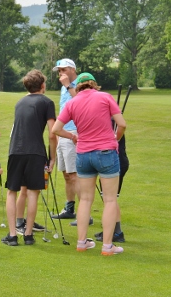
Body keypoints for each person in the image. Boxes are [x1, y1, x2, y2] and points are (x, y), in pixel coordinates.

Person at [52, 72, 127, 255]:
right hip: (106, 152)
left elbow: (56, 129)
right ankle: (107, 246)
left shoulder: (72, 102)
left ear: (78, 86)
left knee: (85, 199)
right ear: (94, 84)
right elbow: (122, 124)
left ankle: (81, 242)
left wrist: (72, 137)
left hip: (83, 154)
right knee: (110, 199)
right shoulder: (105, 97)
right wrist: (115, 139)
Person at [2, 70, 57, 246]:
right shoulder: (47, 102)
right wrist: (52, 158)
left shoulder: (20, 102)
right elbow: (52, 133)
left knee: (12, 191)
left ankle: (12, 235)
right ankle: (28, 234)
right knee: (33, 192)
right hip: (36, 151)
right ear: (42, 85)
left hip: (15, 151)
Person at [49, 58, 92, 226]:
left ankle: (85, 214)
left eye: (64, 69)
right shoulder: (63, 87)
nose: (61, 73)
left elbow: (82, 104)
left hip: (74, 132)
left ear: (72, 70)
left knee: (74, 174)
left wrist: (68, 86)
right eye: (59, 71)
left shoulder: (80, 84)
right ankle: (69, 208)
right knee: (66, 174)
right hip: (63, 132)